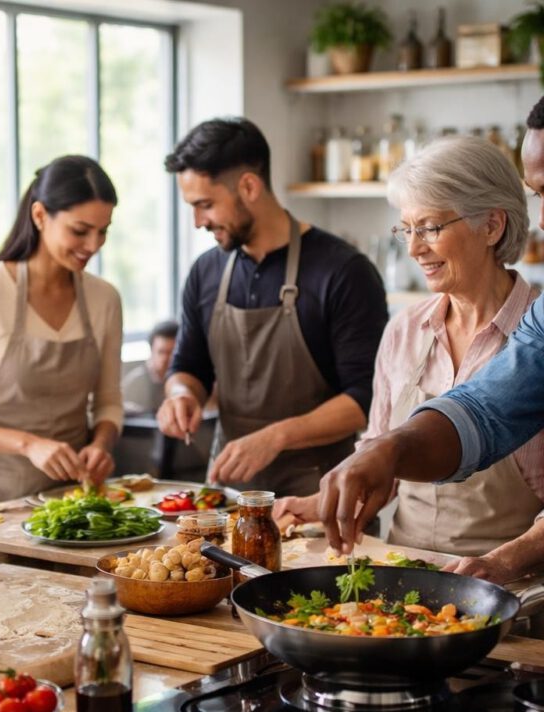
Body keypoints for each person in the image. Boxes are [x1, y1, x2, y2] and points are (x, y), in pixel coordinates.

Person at [275, 135, 544, 571]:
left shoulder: (537, 338)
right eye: (406, 229)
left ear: (492, 227)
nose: (415, 247)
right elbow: (384, 454)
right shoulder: (404, 330)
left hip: (511, 588)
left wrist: (503, 562)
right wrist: (323, 500)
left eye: (431, 227)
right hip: (403, 576)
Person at [157, 117, 388, 495]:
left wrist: (276, 437)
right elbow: (188, 365)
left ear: (249, 186)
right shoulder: (206, 271)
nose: (199, 221)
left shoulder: (343, 271)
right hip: (227, 496)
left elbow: (364, 399)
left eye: (206, 205)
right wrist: (181, 394)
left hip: (321, 497)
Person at [0, 155, 123, 510]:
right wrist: (29, 444)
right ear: (40, 215)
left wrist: (101, 445)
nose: (93, 245)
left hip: (71, 505)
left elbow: (108, 401)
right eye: (80, 230)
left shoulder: (104, 299)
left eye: (103, 231)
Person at [122, 320, 178, 415]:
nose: (166, 359)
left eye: (171, 352)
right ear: (151, 351)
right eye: (161, 352)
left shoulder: (185, 383)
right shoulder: (135, 384)